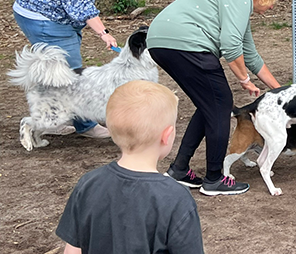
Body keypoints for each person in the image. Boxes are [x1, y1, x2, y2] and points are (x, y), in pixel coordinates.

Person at [146, 0, 287, 195]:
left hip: (161, 41)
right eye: (273, 1)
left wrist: (281, 91)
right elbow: (231, 47)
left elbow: (249, 54)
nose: (272, 7)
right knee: (221, 103)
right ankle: (214, 179)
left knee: (209, 105)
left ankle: (179, 169)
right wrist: (244, 79)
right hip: (187, 44)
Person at [56, 80, 204, 254]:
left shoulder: (87, 184)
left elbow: (72, 251)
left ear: (111, 131)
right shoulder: (176, 198)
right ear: (167, 135)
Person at [13, 0, 119, 139]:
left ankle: (53, 117)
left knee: (58, 71)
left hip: (45, 16)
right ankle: (85, 124)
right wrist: (103, 33)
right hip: (45, 19)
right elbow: (79, 5)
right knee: (71, 73)